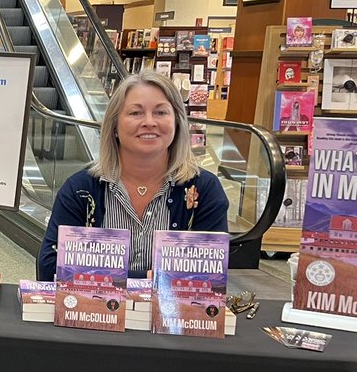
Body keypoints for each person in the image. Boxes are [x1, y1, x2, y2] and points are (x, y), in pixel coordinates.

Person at [38, 71, 229, 281]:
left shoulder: (204, 190)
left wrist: (105, 276)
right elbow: (50, 266)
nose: (149, 122)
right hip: (96, 311)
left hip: (170, 315)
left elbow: (209, 276)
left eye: (161, 112)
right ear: (115, 127)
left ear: (177, 122)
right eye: (135, 113)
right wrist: (151, 278)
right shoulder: (80, 190)